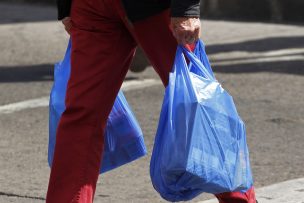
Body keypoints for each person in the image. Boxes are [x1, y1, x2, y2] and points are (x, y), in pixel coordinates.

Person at [46, 0, 257, 202]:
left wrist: (186, 8)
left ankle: (238, 198)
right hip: (96, 9)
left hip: (145, 7)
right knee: (82, 115)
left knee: (198, 104)